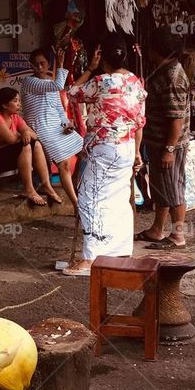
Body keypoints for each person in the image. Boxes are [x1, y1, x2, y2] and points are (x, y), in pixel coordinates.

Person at [63, 38, 146, 276]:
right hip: (127, 146)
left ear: (104, 59)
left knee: (91, 199)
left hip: (105, 148)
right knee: (119, 198)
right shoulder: (135, 82)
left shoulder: (100, 82)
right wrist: (138, 151)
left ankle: (90, 258)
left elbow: (72, 93)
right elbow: (139, 122)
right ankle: (120, 251)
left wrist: (90, 68)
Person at [138, 27, 191, 248]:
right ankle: (157, 229)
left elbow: (176, 119)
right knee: (162, 186)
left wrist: (169, 149)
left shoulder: (173, 77)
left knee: (173, 187)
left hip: (169, 144)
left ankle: (178, 234)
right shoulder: (164, 70)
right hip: (160, 141)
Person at [0, 87, 62, 207]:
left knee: (36, 144)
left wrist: (24, 132)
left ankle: (46, 185)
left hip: (1, 156)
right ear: (5, 104)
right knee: (25, 146)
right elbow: (11, 140)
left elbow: (33, 135)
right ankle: (28, 189)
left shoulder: (15, 117)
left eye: (19, 101)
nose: (19, 104)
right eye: (15, 101)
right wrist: (23, 133)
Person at [19, 47, 84, 208]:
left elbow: (59, 109)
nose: (39, 68)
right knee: (64, 164)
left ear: (48, 65)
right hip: (41, 128)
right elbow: (58, 86)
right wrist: (61, 64)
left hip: (57, 126)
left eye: (42, 64)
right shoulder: (29, 82)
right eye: (35, 65)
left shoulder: (49, 83)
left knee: (86, 152)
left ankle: (79, 191)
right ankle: (76, 204)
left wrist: (67, 124)